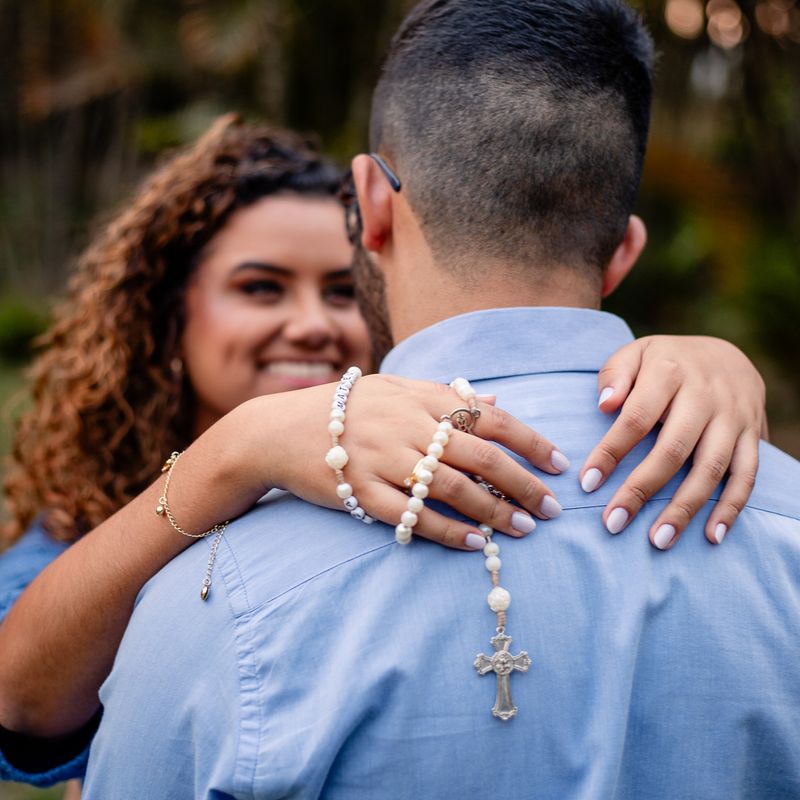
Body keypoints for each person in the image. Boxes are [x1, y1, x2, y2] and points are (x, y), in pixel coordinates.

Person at [71, 0, 800, 797]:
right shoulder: (783, 524)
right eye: (261, 287)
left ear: (373, 207)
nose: (309, 327)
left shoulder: (219, 596)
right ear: (622, 250)